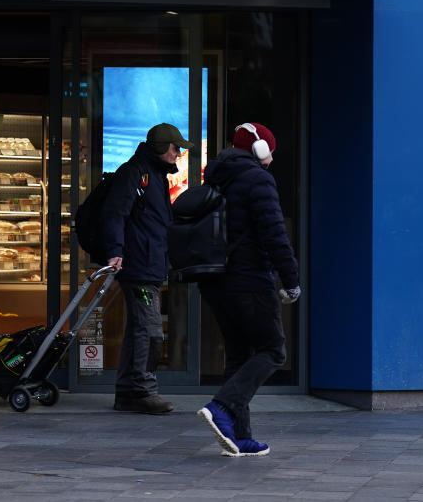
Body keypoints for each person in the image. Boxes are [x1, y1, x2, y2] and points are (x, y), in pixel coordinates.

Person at [196, 122, 300, 458]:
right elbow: (274, 234)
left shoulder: (215, 177)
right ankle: (222, 407)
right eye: (269, 150)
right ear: (259, 151)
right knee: (273, 350)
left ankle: (239, 437)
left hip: (215, 281)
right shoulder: (258, 180)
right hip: (250, 279)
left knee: (240, 355)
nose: (271, 158)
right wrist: (292, 279)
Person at [101, 122, 193, 414]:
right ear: (161, 148)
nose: (178, 153)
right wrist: (115, 251)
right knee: (150, 331)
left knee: (139, 330)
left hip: (149, 264)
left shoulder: (156, 177)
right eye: (175, 147)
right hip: (137, 267)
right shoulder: (135, 174)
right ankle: (141, 391)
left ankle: (129, 392)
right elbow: (115, 214)